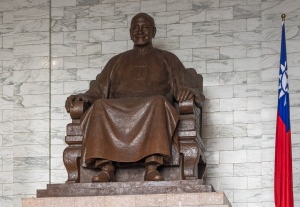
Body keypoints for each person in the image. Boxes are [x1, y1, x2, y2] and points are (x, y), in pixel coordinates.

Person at [65, 12, 204, 183]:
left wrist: (186, 91)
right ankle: (106, 167)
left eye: (145, 27)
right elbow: (98, 90)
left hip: (152, 107)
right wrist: (82, 97)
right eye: (135, 28)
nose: (140, 31)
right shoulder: (116, 61)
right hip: (118, 109)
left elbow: (188, 87)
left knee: (158, 102)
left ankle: (152, 166)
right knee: (100, 105)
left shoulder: (168, 59)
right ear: (130, 32)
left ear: (153, 32)